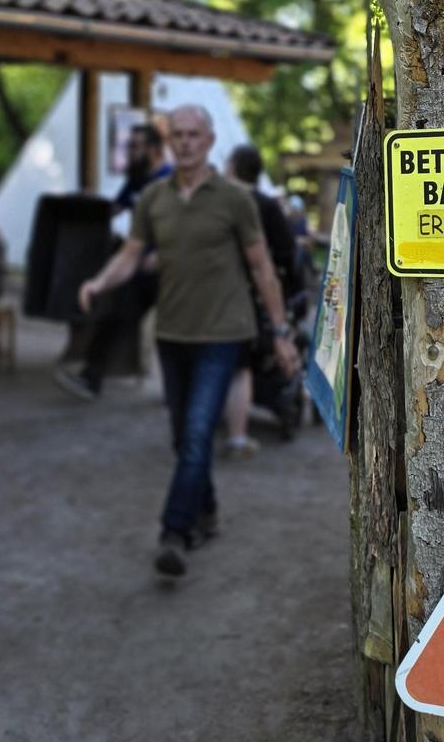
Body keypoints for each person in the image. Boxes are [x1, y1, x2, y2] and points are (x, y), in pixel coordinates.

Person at [76, 106, 299, 577]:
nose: (186, 142)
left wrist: (280, 332)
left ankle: (174, 533)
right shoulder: (152, 198)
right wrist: (99, 282)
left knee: (198, 432)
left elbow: (262, 268)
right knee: (184, 437)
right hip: (172, 334)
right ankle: (207, 510)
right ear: (168, 141)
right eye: (177, 135)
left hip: (223, 334)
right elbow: (132, 256)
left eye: (194, 134)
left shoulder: (235, 200)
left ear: (210, 139)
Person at [54, 124, 170, 400]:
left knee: (173, 332)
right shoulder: (137, 180)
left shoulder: (170, 180)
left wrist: (162, 254)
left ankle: (179, 390)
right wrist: (84, 205)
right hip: (138, 266)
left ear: (153, 149)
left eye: (136, 147)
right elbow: (115, 208)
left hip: (169, 269)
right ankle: (90, 378)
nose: (130, 152)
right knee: (115, 314)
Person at [221, 144, 303, 457]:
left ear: (232, 168)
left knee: (237, 366)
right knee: (239, 366)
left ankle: (236, 433)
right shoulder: (267, 205)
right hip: (261, 297)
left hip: (231, 293)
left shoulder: (225, 200)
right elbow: (286, 252)